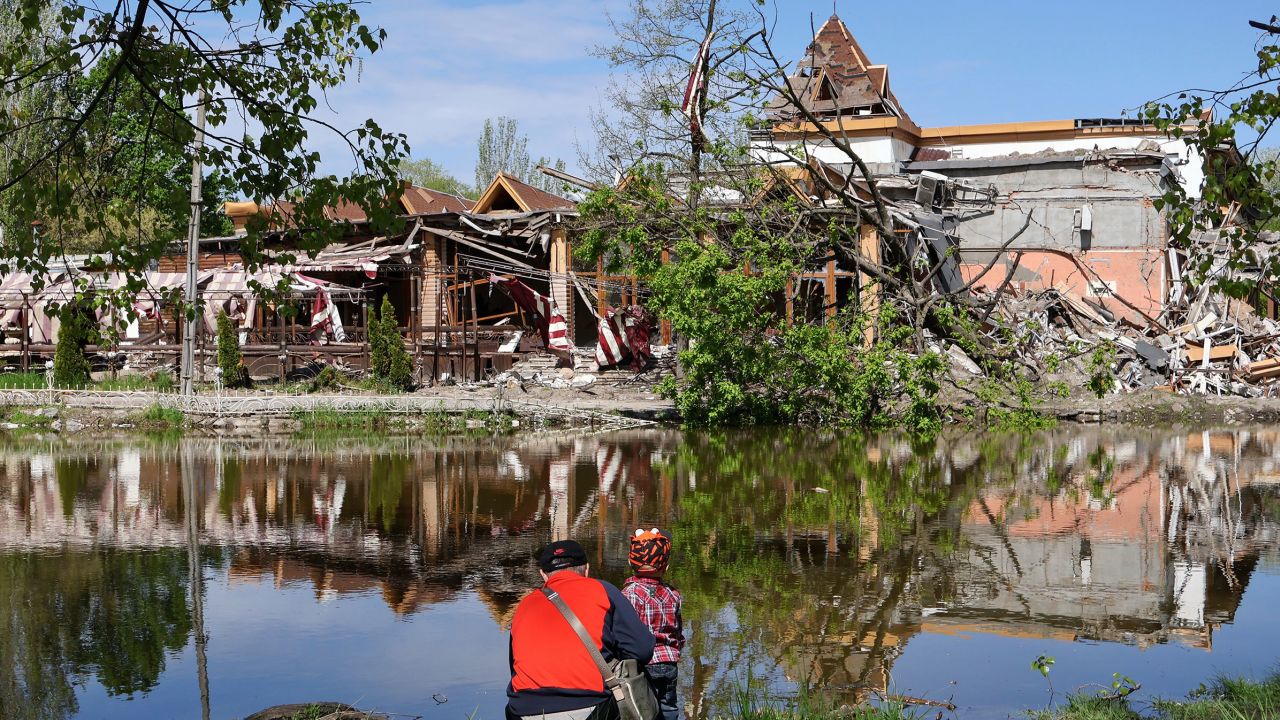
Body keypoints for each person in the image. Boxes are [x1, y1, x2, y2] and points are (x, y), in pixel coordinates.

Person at [507, 539, 655, 720]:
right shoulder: (603, 590)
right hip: (588, 705)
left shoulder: (524, 606)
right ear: (586, 569)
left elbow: (514, 666)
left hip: (523, 709)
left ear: (543, 575)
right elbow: (642, 649)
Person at [621, 529, 683, 720]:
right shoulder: (673, 594)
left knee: (644, 709)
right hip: (669, 661)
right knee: (669, 706)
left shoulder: (629, 594)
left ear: (631, 563)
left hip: (644, 663)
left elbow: (625, 632)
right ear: (666, 567)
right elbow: (678, 630)